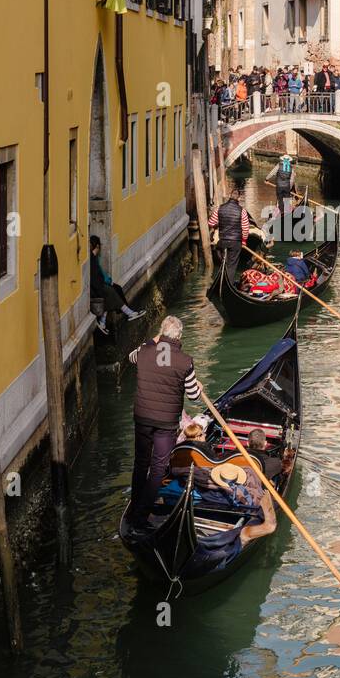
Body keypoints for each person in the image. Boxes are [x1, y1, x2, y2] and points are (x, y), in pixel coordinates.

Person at [128, 315, 202, 523]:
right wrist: (199, 387)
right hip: (166, 422)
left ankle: (135, 506)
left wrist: (155, 340)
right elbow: (194, 396)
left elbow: (130, 357)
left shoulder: (143, 351)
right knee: (159, 466)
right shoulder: (185, 361)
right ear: (179, 335)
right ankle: (142, 512)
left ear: (161, 334)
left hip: (142, 417)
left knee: (141, 463)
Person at [90, 235, 145, 334]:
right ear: (97, 246)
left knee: (113, 290)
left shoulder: (93, 258)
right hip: (96, 288)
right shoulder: (92, 259)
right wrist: (107, 282)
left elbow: (99, 275)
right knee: (112, 291)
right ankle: (129, 313)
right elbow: (98, 275)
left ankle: (103, 322)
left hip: (97, 286)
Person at [208, 183, 250, 283]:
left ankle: (221, 279)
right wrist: (244, 241)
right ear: (239, 198)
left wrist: (218, 225)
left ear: (230, 196)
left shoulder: (219, 208)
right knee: (231, 265)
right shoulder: (242, 211)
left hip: (222, 242)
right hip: (235, 243)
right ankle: (228, 283)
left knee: (223, 261)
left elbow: (210, 223)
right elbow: (245, 228)